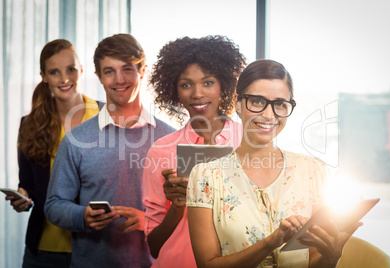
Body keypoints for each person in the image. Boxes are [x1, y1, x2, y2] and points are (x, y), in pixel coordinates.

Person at [186, 59, 362, 268]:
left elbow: (315, 262)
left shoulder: (314, 171)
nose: (269, 115)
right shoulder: (205, 176)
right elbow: (207, 266)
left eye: (280, 104)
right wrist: (271, 242)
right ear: (237, 103)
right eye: (258, 101)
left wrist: (332, 255)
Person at [44, 33, 175, 267]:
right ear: (99, 77)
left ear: (142, 71)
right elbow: (54, 204)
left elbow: (189, 213)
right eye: (109, 71)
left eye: (127, 69)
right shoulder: (76, 139)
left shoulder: (170, 138)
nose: (119, 79)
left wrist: (149, 221)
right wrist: (82, 216)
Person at [142, 35, 246, 267]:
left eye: (208, 82)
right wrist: (178, 206)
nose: (197, 93)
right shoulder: (161, 151)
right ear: (175, 91)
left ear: (224, 86)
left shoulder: (248, 140)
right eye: (186, 84)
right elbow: (154, 246)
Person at [4, 39, 101, 267]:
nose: (65, 79)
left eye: (71, 69)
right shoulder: (30, 124)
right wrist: (23, 198)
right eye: (54, 72)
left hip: (96, 246)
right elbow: (27, 182)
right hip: (44, 250)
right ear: (44, 76)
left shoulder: (106, 115)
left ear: (81, 71)